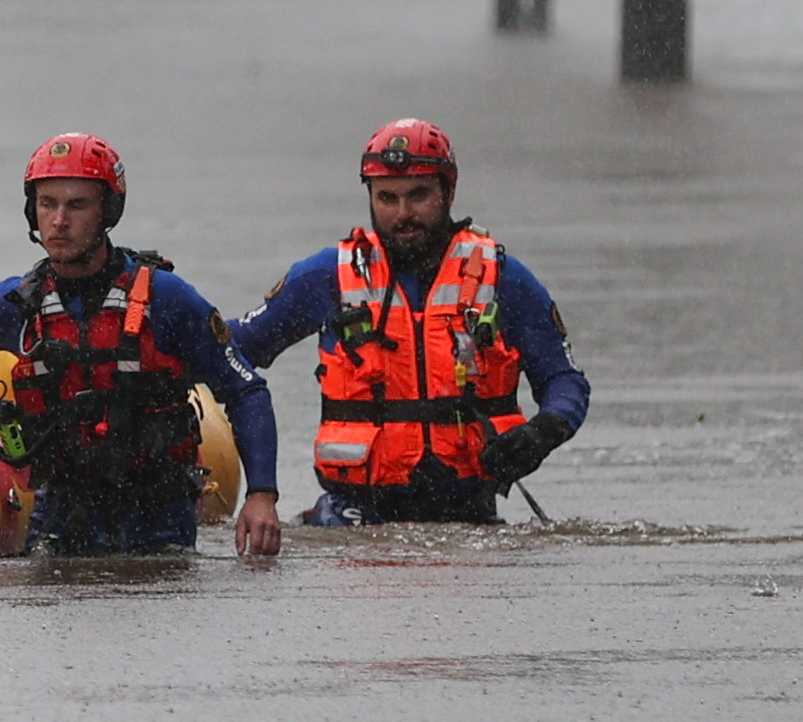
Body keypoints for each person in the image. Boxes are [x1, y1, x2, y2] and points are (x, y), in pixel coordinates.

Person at [0, 132, 282, 558]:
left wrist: (261, 495)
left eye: (77, 205)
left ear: (107, 212)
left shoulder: (166, 299)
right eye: (47, 204)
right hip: (61, 509)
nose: (59, 220)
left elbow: (245, 390)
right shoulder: (19, 302)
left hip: (157, 514)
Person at [230, 116, 589, 526]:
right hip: (353, 516)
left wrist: (541, 433)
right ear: (370, 197)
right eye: (387, 198)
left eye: (418, 196)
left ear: (448, 192)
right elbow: (234, 348)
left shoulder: (502, 279)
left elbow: (565, 379)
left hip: (469, 511)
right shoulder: (328, 276)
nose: (403, 214)